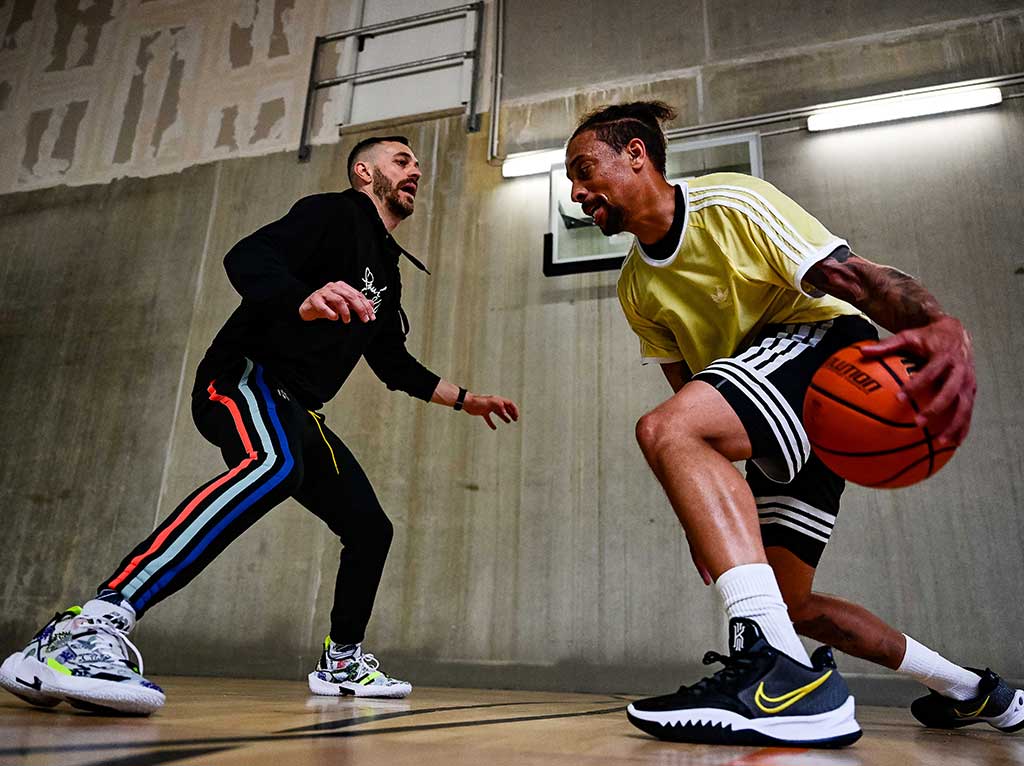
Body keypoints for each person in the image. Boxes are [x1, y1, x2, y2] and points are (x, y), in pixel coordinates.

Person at [0, 135, 519, 715]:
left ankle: (342, 662)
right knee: (275, 464)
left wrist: (466, 398)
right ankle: (91, 624)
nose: (416, 170)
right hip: (243, 378)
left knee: (370, 528)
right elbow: (247, 256)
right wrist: (301, 298)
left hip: (299, 409)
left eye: (417, 164)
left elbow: (393, 365)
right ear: (363, 172)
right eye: (402, 161)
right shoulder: (331, 213)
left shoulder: (387, 271)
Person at [564, 101, 1023, 748]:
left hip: (823, 351)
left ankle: (785, 681)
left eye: (584, 171)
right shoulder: (637, 286)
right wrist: (707, 506)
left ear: (636, 154)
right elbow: (691, 397)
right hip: (770, 404)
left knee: (665, 430)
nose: (578, 192)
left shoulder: (731, 203)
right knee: (789, 604)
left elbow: (852, 280)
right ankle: (975, 692)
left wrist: (935, 324)